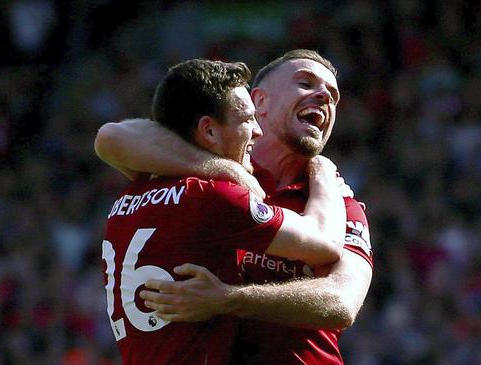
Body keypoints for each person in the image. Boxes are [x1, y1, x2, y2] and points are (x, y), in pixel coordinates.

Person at [95, 50, 373, 364]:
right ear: (260, 101)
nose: (324, 96)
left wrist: (229, 299)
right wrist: (225, 170)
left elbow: (341, 303)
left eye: (333, 96)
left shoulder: (337, 204)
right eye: (306, 83)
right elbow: (111, 137)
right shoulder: (209, 182)